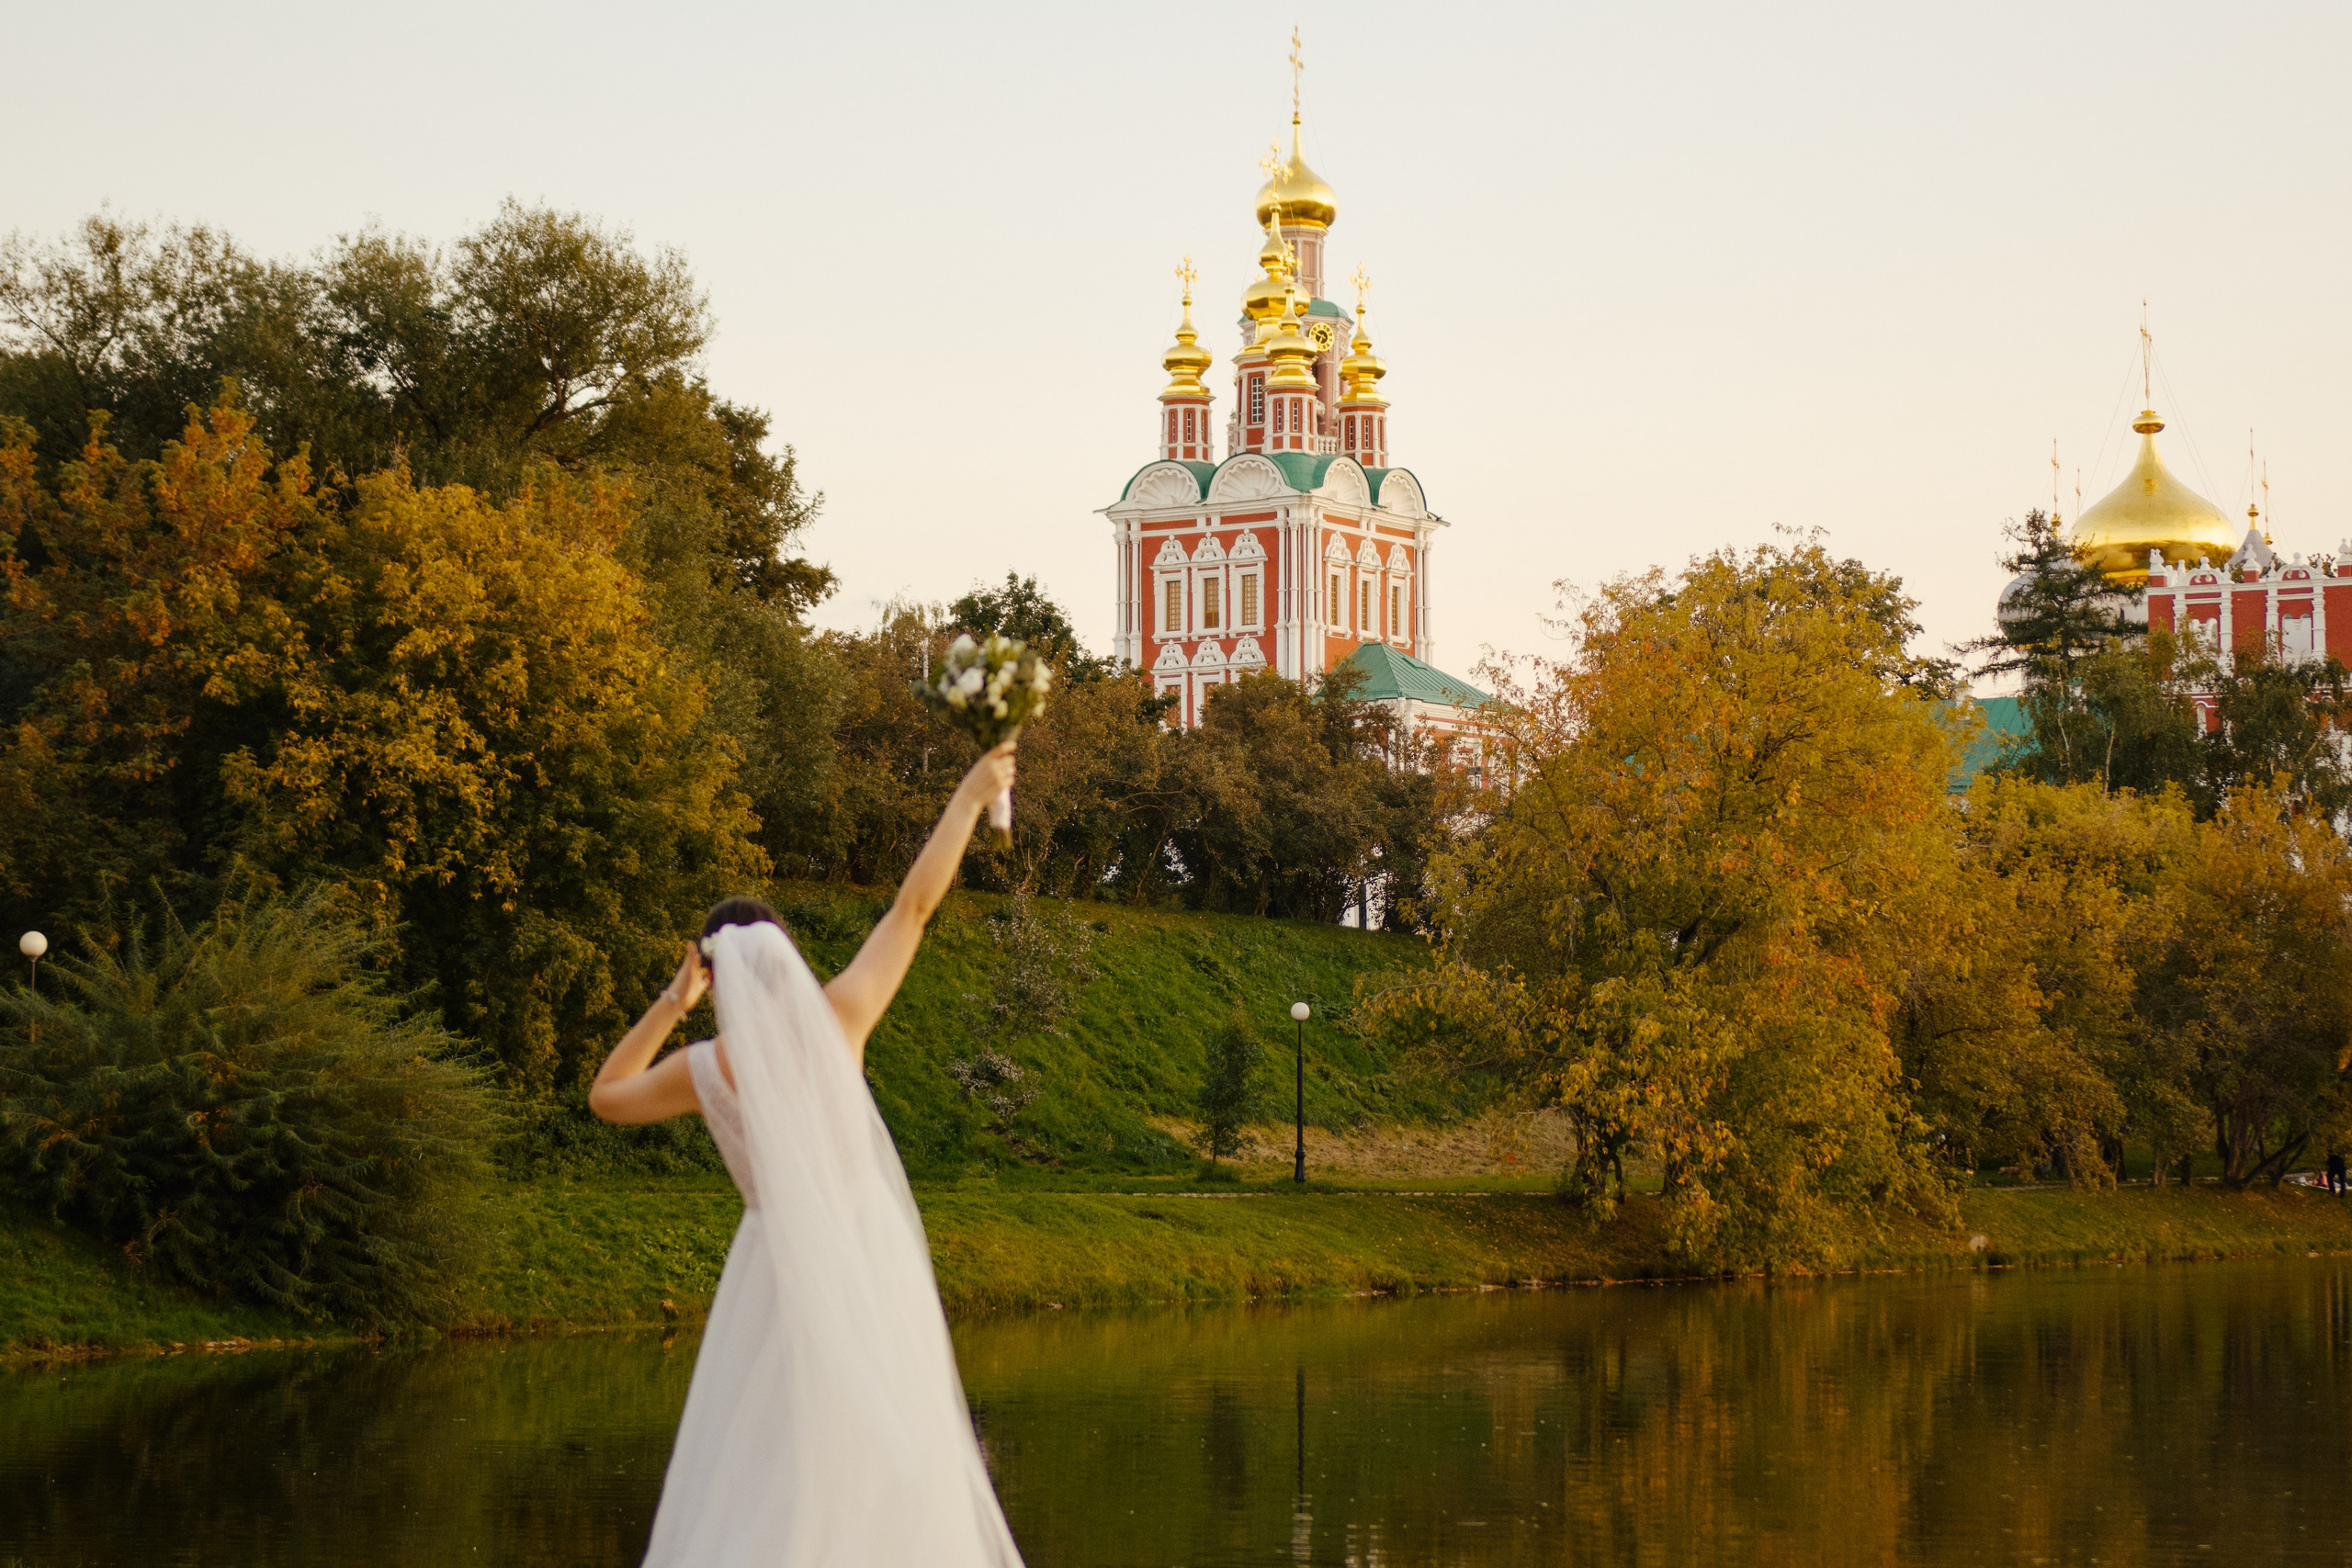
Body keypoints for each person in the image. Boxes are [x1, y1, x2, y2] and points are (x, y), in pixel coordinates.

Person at [588, 744, 1023, 1567]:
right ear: (785, 951)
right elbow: (913, 908)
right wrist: (967, 798)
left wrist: (672, 1002)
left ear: (714, 976)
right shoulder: (840, 1019)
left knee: (767, 1461)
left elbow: (606, 1096)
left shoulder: (712, 1068)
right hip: (864, 1250)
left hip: (773, 1264)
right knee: (882, 1443)